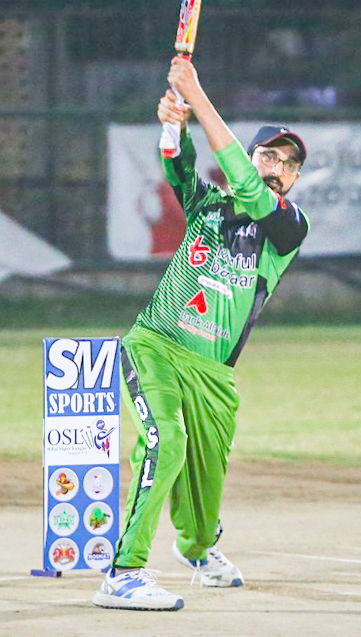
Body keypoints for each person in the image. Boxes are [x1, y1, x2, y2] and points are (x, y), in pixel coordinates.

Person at [93, 55, 309, 611]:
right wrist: (174, 124)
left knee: (205, 489)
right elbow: (178, 165)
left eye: (289, 164)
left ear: (294, 180)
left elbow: (247, 186)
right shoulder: (207, 205)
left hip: (215, 375)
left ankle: (196, 548)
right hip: (156, 346)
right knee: (166, 443)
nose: (278, 168)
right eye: (269, 155)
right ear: (251, 157)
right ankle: (123, 572)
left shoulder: (288, 227)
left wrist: (195, 94)